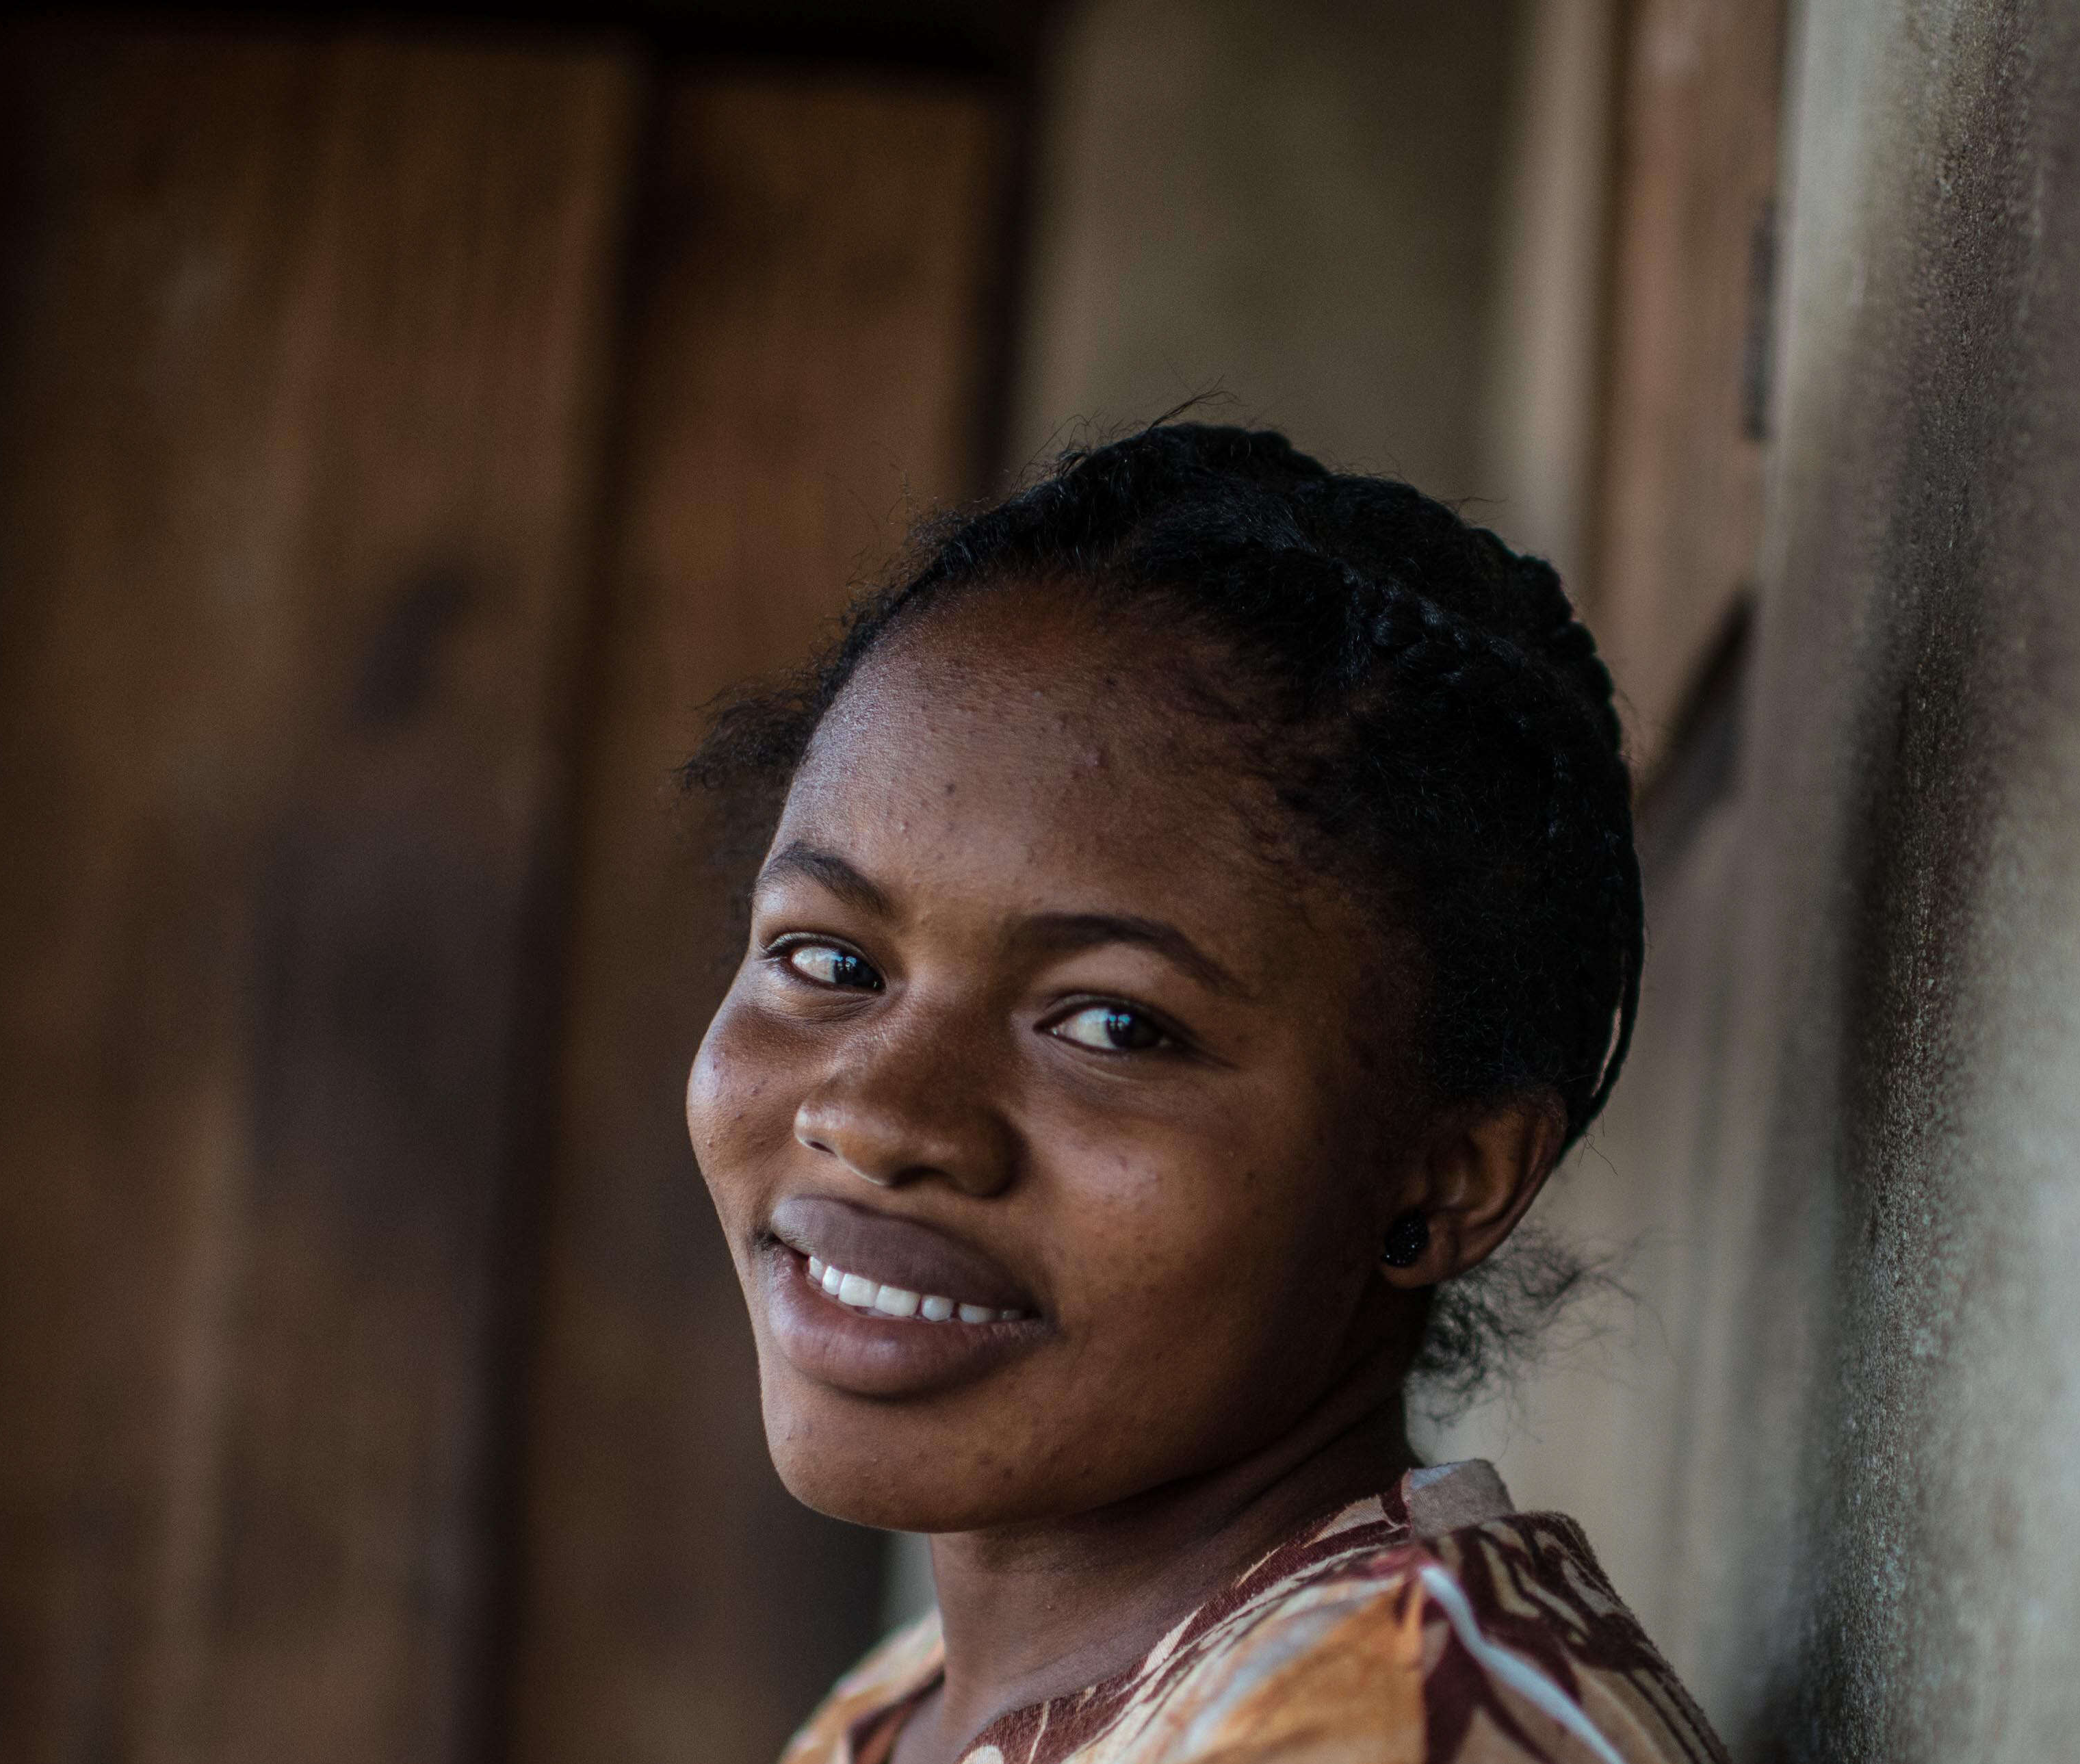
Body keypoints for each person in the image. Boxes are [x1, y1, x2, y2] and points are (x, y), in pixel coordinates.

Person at [683, 424, 1726, 1764]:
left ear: (1451, 1176)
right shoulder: (912, 1704)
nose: (878, 1117)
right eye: (829, 961)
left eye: (1113, 1025)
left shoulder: (1382, 1728)